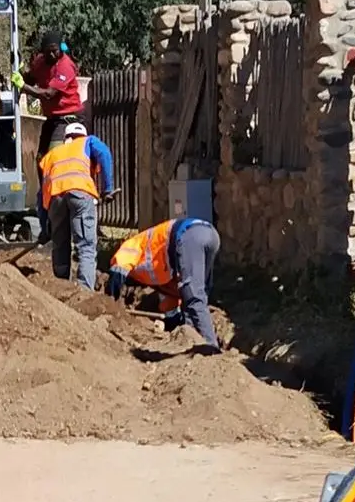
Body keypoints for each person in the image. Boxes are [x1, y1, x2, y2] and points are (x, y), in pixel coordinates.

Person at [105, 217, 224, 352]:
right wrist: (173, 322)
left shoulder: (130, 247)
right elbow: (172, 300)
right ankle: (192, 341)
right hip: (210, 234)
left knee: (193, 296)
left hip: (189, 236)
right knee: (196, 293)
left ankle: (211, 346)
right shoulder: (161, 276)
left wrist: (109, 301)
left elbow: (117, 269)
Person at [20, 29, 83, 242]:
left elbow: (48, 93)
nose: (53, 55)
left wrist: (24, 87)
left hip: (68, 118)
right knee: (40, 162)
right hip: (50, 119)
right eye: (49, 52)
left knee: (53, 161)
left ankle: (58, 203)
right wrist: (20, 74)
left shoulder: (65, 66)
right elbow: (30, 76)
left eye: (56, 51)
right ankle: (46, 205)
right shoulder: (40, 62)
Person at [37, 119, 114, 289]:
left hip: (55, 199)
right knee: (86, 246)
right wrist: (107, 189)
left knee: (60, 245)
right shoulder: (88, 142)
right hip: (79, 194)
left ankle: (60, 288)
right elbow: (105, 154)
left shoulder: (52, 155)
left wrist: (44, 228)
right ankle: (84, 293)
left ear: (66, 138)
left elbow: (41, 192)